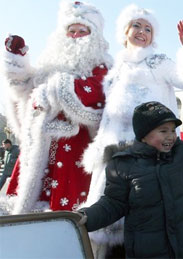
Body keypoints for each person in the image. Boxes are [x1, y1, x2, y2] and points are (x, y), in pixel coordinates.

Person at [79, 4, 183, 254]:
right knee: (107, 225)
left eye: (148, 28)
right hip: (114, 158)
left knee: (143, 223)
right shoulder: (115, 71)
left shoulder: (157, 62)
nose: (142, 31)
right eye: (136, 25)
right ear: (125, 30)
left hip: (150, 156)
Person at [78, 85, 183, 258]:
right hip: (148, 253)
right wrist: (85, 218)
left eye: (172, 130)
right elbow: (112, 204)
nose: (170, 136)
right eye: (163, 131)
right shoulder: (124, 165)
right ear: (143, 135)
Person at [0, 1, 111, 214]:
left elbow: (98, 90)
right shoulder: (49, 62)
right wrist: (16, 61)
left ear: (93, 36)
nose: (76, 35)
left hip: (76, 146)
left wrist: (56, 88)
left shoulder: (102, 64)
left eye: (82, 31)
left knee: (70, 208)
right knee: (28, 200)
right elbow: (25, 89)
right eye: (71, 31)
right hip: (40, 145)